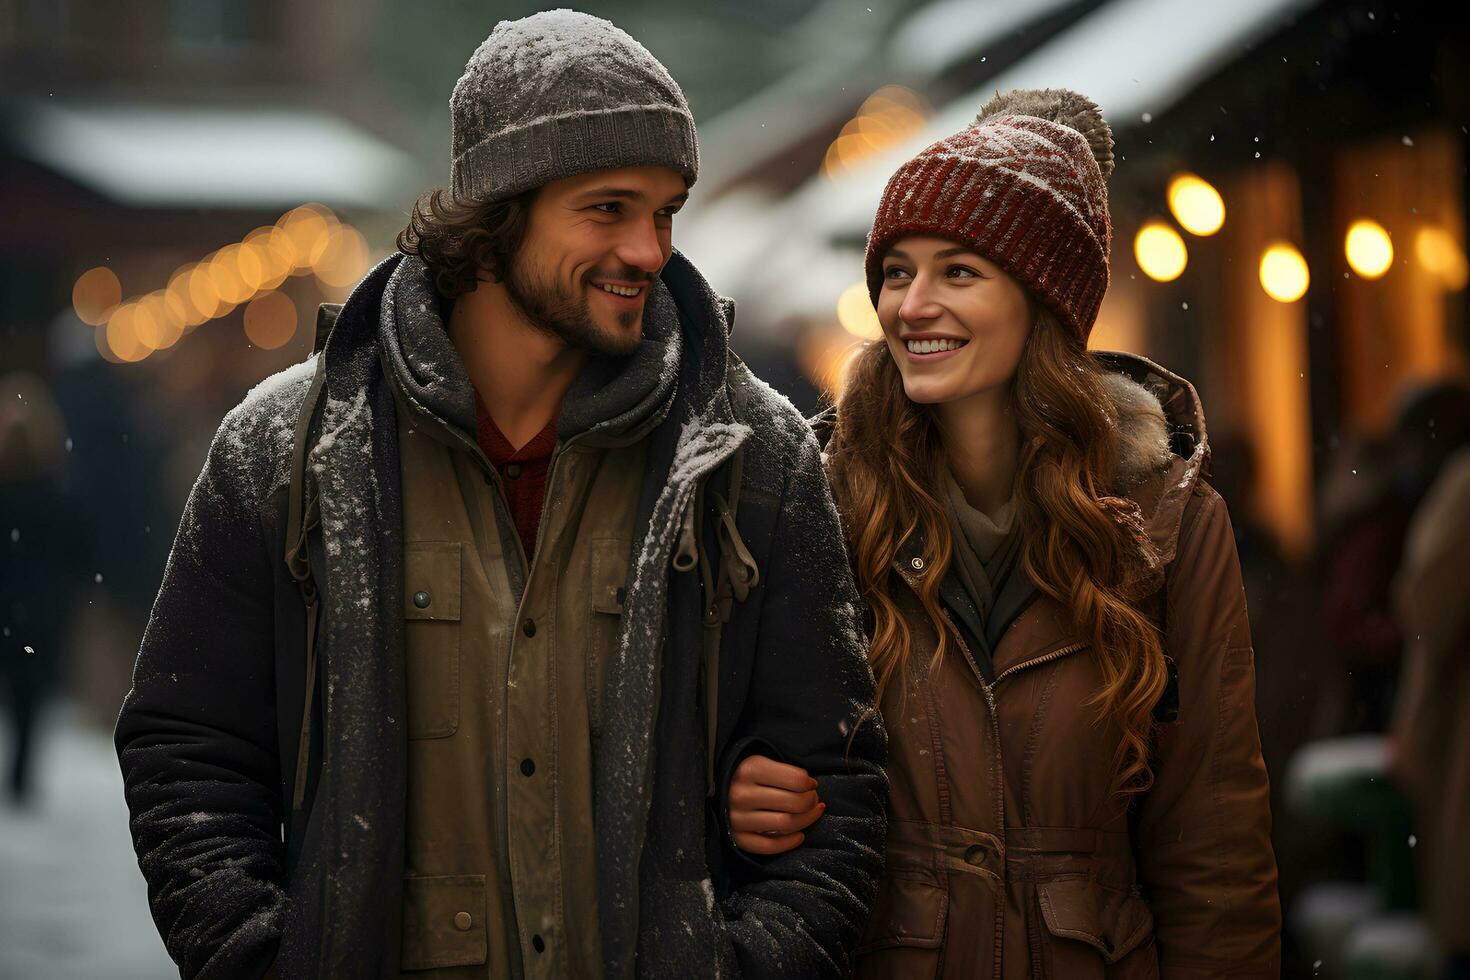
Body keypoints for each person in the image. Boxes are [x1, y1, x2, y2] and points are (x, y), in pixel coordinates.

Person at [114, 11, 885, 979]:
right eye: (607, 209)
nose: (649, 250)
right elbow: (189, 747)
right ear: (496, 213)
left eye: (665, 212)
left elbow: (840, 768)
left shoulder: (748, 451)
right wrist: (259, 953)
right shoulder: (290, 447)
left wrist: (753, 957)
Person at [728, 88, 1280, 976]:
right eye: (897, 271)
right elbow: (742, 737)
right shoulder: (823, 505)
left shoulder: (1167, 523)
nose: (911, 305)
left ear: (1043, 301)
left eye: (958, 272)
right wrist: (741, 787)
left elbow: (1213, 846)